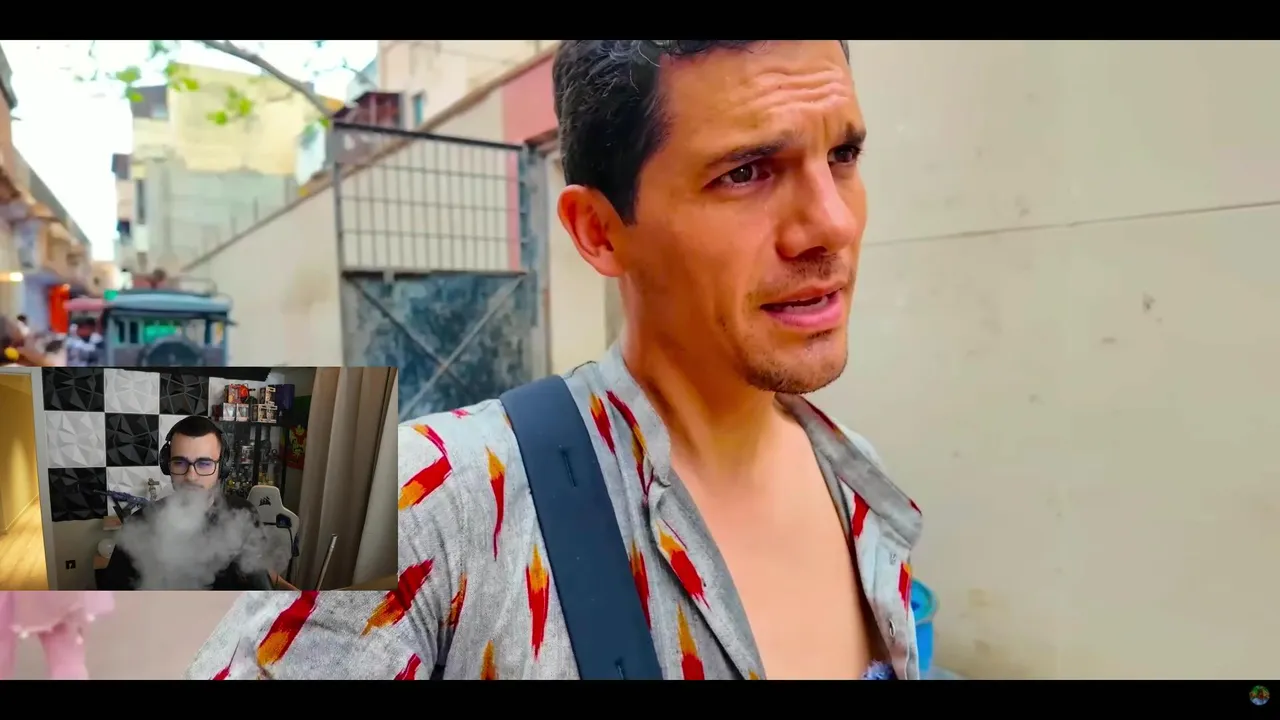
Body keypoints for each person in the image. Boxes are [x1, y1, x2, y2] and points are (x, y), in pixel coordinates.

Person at [186, 40, 923, 681]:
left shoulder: (856, 477)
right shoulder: (419, 500)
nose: (833, 223)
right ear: (599, 231)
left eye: (843, 155)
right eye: (747, 172)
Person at [97, 415, 278, 591]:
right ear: (167, 465)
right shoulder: (139, 525)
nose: (191, 476)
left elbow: (260, 579)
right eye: (180, 463)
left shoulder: (244, 514)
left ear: (223, 467)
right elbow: (113, 600)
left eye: (204, 463)